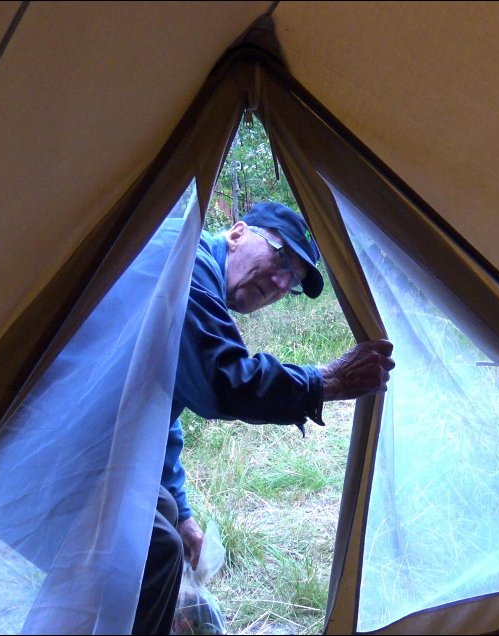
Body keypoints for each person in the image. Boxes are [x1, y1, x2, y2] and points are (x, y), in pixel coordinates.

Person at [133, 201, 395, 634]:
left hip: (90, 437)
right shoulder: (187, 265)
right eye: (279, 257)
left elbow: (159, 408)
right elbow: (226, 382)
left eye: (291, 280)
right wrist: (326, 381)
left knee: (159, 519)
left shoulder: (197, 278)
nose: (279, 281)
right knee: (155, 553)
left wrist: (182, 512)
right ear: (237, 233)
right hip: (57, 439)